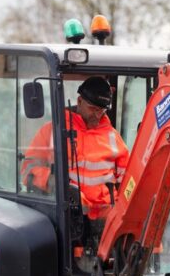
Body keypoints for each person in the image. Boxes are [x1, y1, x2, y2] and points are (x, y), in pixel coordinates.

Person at [21, 76, 129, 221]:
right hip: (67, 217)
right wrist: (59, 186)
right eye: (93, 109)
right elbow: (28, 169)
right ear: (79, 101)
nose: (97, 116)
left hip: (106, 221)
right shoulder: (53, 131)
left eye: (102, 111)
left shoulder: (113, 136)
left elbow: (128, 180)